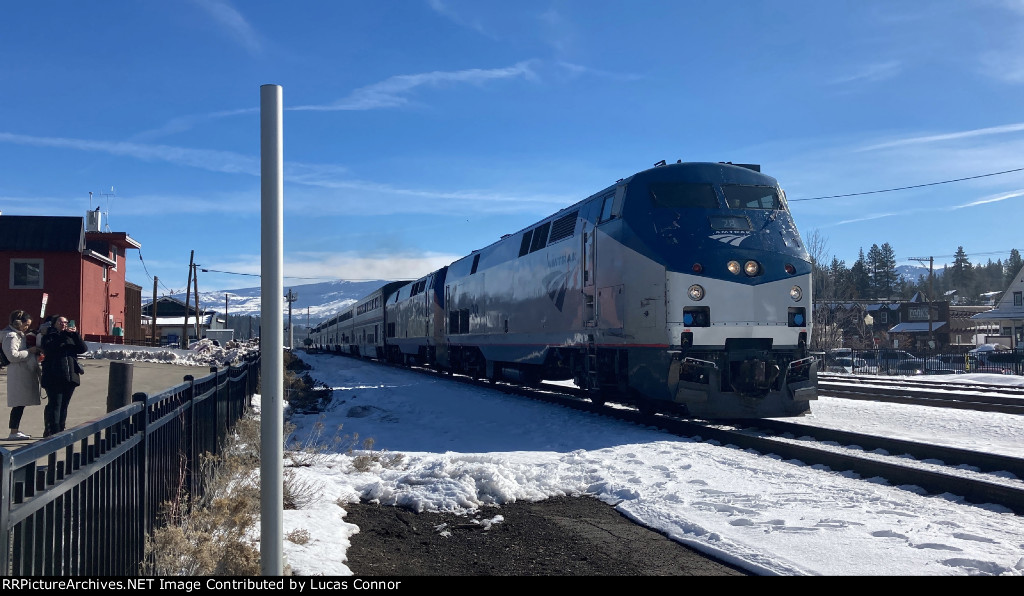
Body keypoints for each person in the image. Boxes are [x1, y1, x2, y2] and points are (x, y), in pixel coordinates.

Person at [40, 314, 87, 437]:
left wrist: (75, 334)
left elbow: (83, 349)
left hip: (70, 376)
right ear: (54, 324)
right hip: (53, 376)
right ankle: (53, 431)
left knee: (64, 405)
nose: (64, 325)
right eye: (60, 322)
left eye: (66, 322)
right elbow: (50, 349)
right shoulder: (48, 336)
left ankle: (61, 428)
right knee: (55, 404)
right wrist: (60, 336)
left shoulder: (70, 336)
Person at [2, 309, 42, 440]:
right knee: (18, 403)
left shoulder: (17, 334)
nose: (27, 327)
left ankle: (15, 430)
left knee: (20, 403)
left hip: (20, 371)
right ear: (18, 323)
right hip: (18, 372)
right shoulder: (11, 336)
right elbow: (12, 356)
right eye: (26, 324)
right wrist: (29, 351)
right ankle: (14, 431)